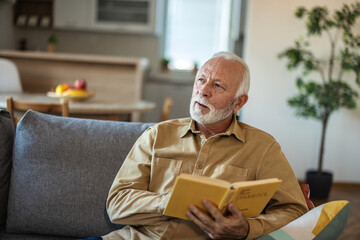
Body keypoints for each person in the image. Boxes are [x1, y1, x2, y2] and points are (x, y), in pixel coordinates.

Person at [102, 52, 308, 240]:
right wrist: (170, 201)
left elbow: (294, 211)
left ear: (238, 103)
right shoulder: (157, 135)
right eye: (201, 80)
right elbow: (117, 204)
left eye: (217, 85)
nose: (203, 91)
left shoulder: (263, 148)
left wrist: (247, 229)